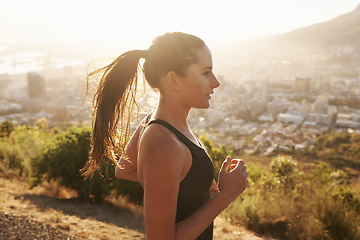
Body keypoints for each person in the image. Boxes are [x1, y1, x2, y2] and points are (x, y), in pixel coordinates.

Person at [82, 32, 248, 240]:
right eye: (206, 73)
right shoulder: (164, 143)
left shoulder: (159, 124)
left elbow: (123, 170)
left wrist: (190, 185)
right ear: (174, 80)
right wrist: (226, 196)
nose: (216, 82)